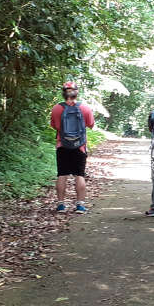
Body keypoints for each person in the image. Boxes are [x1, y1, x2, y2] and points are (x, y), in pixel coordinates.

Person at [50, 81, 95, 213]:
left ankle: (61, 205)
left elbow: (54, 126)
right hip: (79, 146)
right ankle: (80, 205)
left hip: (62, 145)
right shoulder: (85, 108)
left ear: (63, 93)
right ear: (76, 93)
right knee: (79, 175)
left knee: (62, 174)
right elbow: (91, 124)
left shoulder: (56, 108)